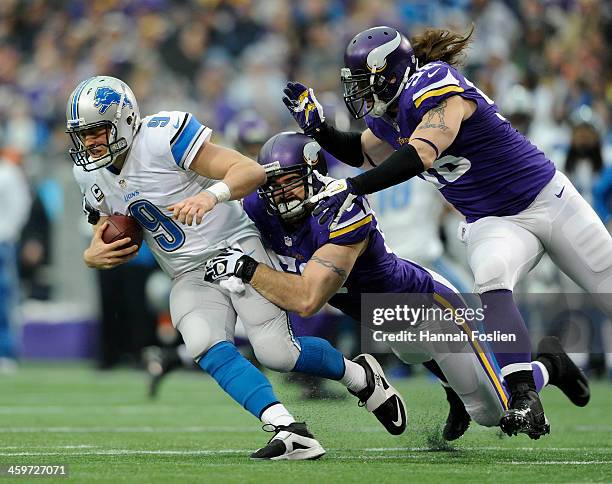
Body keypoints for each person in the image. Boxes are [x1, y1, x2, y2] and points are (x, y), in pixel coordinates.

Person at [280, 26, 612, 439]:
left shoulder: (434, 82)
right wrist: (320, 130)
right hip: (493, 221)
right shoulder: (393, 111)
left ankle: (545, 367)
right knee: (491, 276)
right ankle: (526, 391)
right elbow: (364, 153)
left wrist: (353, 187)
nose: (362, 94)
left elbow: (421, 153)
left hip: (550, 201)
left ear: (391, 73)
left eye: (367, 83)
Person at [66, 76, 406, 460]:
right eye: (82, 135)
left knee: (277, 353)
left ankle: (360, 377)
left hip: (235, 247)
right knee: (202, 342)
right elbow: (108, 223)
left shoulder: (161, 137)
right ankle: (288, 428)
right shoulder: (88, 172)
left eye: (96, 131)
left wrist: (210, 197)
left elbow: (250, 171)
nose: (89, 142)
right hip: (186, 270)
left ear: (125, 120)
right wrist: (91, 254)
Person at [203, 132, 590, 441]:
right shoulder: (261, 206)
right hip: (387, 321)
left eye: (288, 183)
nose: (278, 194)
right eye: (272, 184)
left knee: (492, 413)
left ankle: (549, 364)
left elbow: (307, 299)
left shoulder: (339, 211)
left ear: (313, 174)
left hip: (429, 309)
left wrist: (248, 268)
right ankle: (455, 386)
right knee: (410, 353)